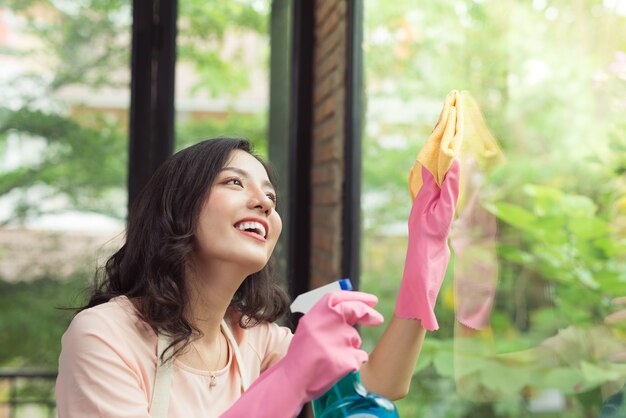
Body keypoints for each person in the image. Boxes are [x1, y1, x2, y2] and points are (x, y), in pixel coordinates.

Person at [55, 137, 460, 417]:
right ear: (177, 207)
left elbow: (374, 388)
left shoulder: (256, 340)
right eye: (234, 182)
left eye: (271, 197)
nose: (263, 203)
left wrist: (426, 251)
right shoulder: (105, 336)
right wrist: (290, 378)